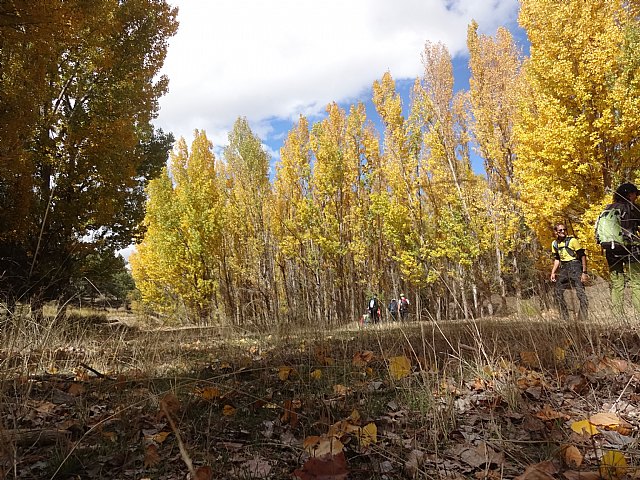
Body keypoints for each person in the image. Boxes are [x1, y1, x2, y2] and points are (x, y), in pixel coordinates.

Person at [601, 182, 640, 315]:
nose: (636, 197)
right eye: (635, 194)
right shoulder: (632, 208)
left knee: (617, 284)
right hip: (631, 248)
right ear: (629, 195)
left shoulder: (608, 208)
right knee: (636, 283)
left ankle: (617, 317)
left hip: (611, 248)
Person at [550, 224, 589, 321]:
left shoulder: (572, 241)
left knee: (580, 293)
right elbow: (557, 259)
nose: (563, 231)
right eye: (560, 230)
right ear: (556, 232)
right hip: (564, 268)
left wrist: (584, 272)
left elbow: (582, 255)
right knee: (557, 292)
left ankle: (582, 318)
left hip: (575, 266)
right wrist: (553, 272)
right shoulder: (554, 244)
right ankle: (564, 317)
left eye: (564, 229)